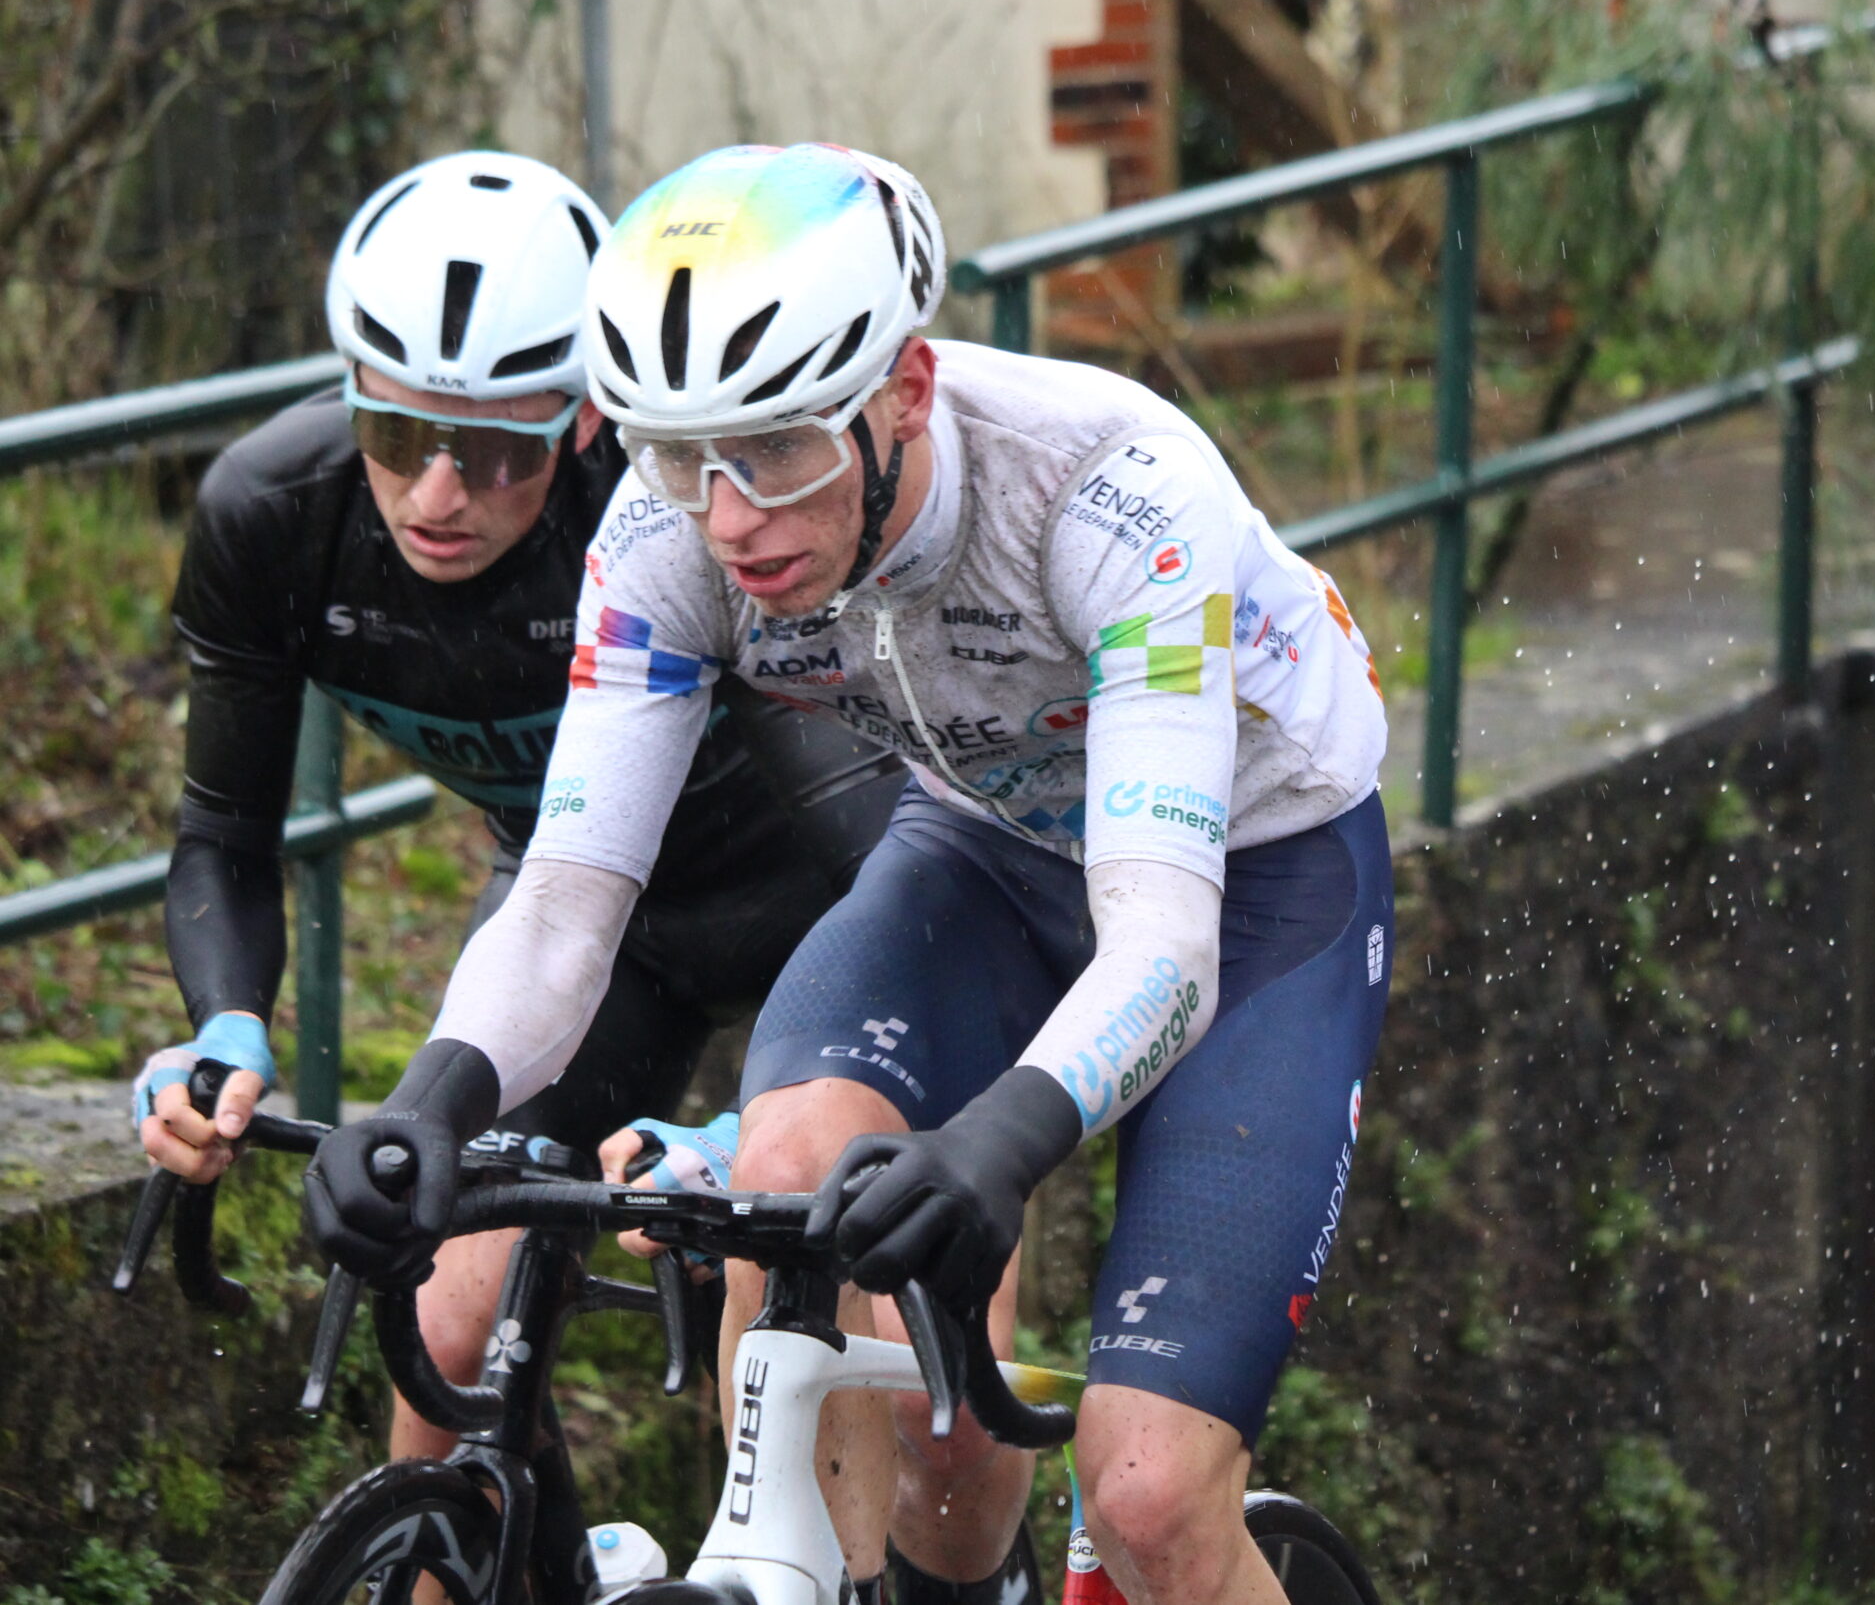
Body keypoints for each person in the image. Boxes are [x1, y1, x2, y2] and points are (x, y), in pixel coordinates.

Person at [300, 143, 1396, 1605]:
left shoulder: (1112, 496)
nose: (727, 516)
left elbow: (1163, 946)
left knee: (1147, 1494)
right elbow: (565, 901)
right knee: (785, 1169)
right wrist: (433, 1101)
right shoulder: (666, 533)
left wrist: (998, 1141)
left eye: (776, 450)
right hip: (986, 850)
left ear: (907, 392)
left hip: (1254, 885)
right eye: (679, 454)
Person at [129, 150, 902, 1480]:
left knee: (858, 1366)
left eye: (496, 453)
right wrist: (225, 1025)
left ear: (588, 424)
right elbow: (223, 838)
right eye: (394, 436)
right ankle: (490, 1552)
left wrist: (757, 1130)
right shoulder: (273, 515)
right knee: (446, 1326)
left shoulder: (682, 522)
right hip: (583, 935)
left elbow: (886, 854)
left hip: (828, 918)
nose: (436, 495)